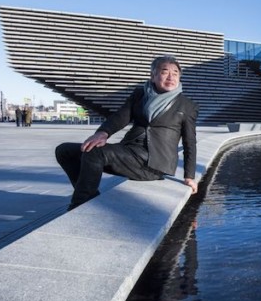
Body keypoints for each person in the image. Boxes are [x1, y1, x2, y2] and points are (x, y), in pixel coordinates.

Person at [55, 55, 199, 211]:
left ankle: (79, 205)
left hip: (152, 163)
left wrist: (189, 177)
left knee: (95, 152)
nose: (171, 77)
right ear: (153, 76)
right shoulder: (140, 94)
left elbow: (189, 142)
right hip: (129, 152)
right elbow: (121, 116)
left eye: (175, 73)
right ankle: (89, 197)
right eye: (165, 72)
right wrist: (103, 133)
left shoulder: (187, 105)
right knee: (65, 151)